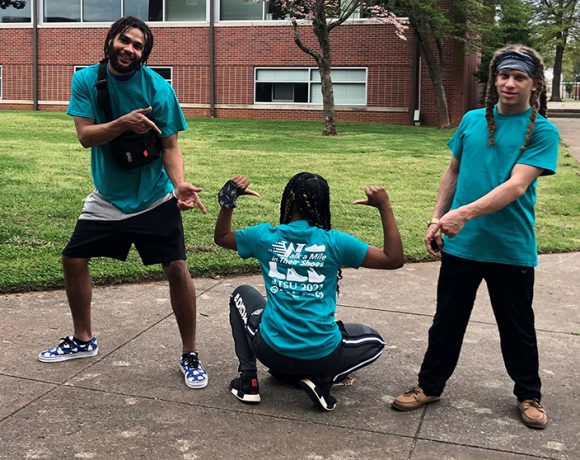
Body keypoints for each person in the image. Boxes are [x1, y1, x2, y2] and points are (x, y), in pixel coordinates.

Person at [391, 45, 559, 429]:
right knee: (446, 322)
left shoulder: (542, 131)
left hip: (510, 248)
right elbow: (453, 171)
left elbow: (516, 186)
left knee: (516, 328)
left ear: (534, 84)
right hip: (462, 246)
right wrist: (438, 218)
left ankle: (529, 394)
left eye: (519, 77)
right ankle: (429, 386)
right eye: (504, 76)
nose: (510, 83)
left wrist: (462, 214)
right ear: (495, 80)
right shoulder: (471, 121)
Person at [38, 16, 209, 390]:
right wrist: (124, 123)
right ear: (111, 39)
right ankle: (83, 339)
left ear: (144, 54)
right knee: (73, 259)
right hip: (107, 197)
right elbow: (86, 136)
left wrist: (179, 184)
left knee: (177, 267)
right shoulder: (86, 80)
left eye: (138, 46)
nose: (129, 49)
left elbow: (170, 146)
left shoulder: (158, 88)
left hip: (154, 196)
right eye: (125, 41)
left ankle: (190, 354)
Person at [214, 173, 404, 411]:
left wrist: (228, 201)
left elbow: (221, 237)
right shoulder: (335, 242)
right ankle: (322, 379)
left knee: (241, 294)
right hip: (320, 356)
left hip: (271, 351)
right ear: (323, 204)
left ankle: (248, 380)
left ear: (288, 200)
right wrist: (385, 207)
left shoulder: (264, 237)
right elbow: (393, 259)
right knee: (374, 341)